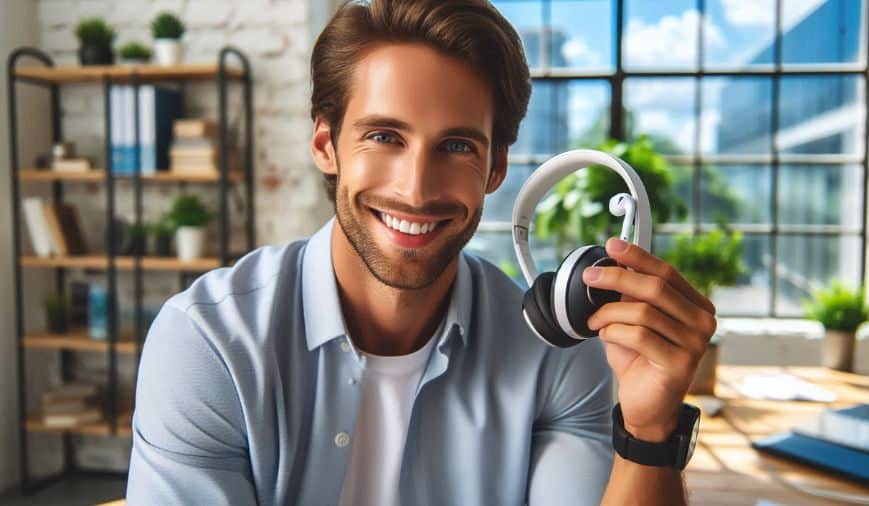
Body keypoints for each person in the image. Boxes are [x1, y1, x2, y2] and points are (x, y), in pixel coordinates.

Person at [125, 1, 717, 504]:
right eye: (385, 136)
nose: (416, 189)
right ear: (326, 145)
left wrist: (647, 428)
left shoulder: (555, 355)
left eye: (457, 145)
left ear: (495, 169)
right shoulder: (208, 345)